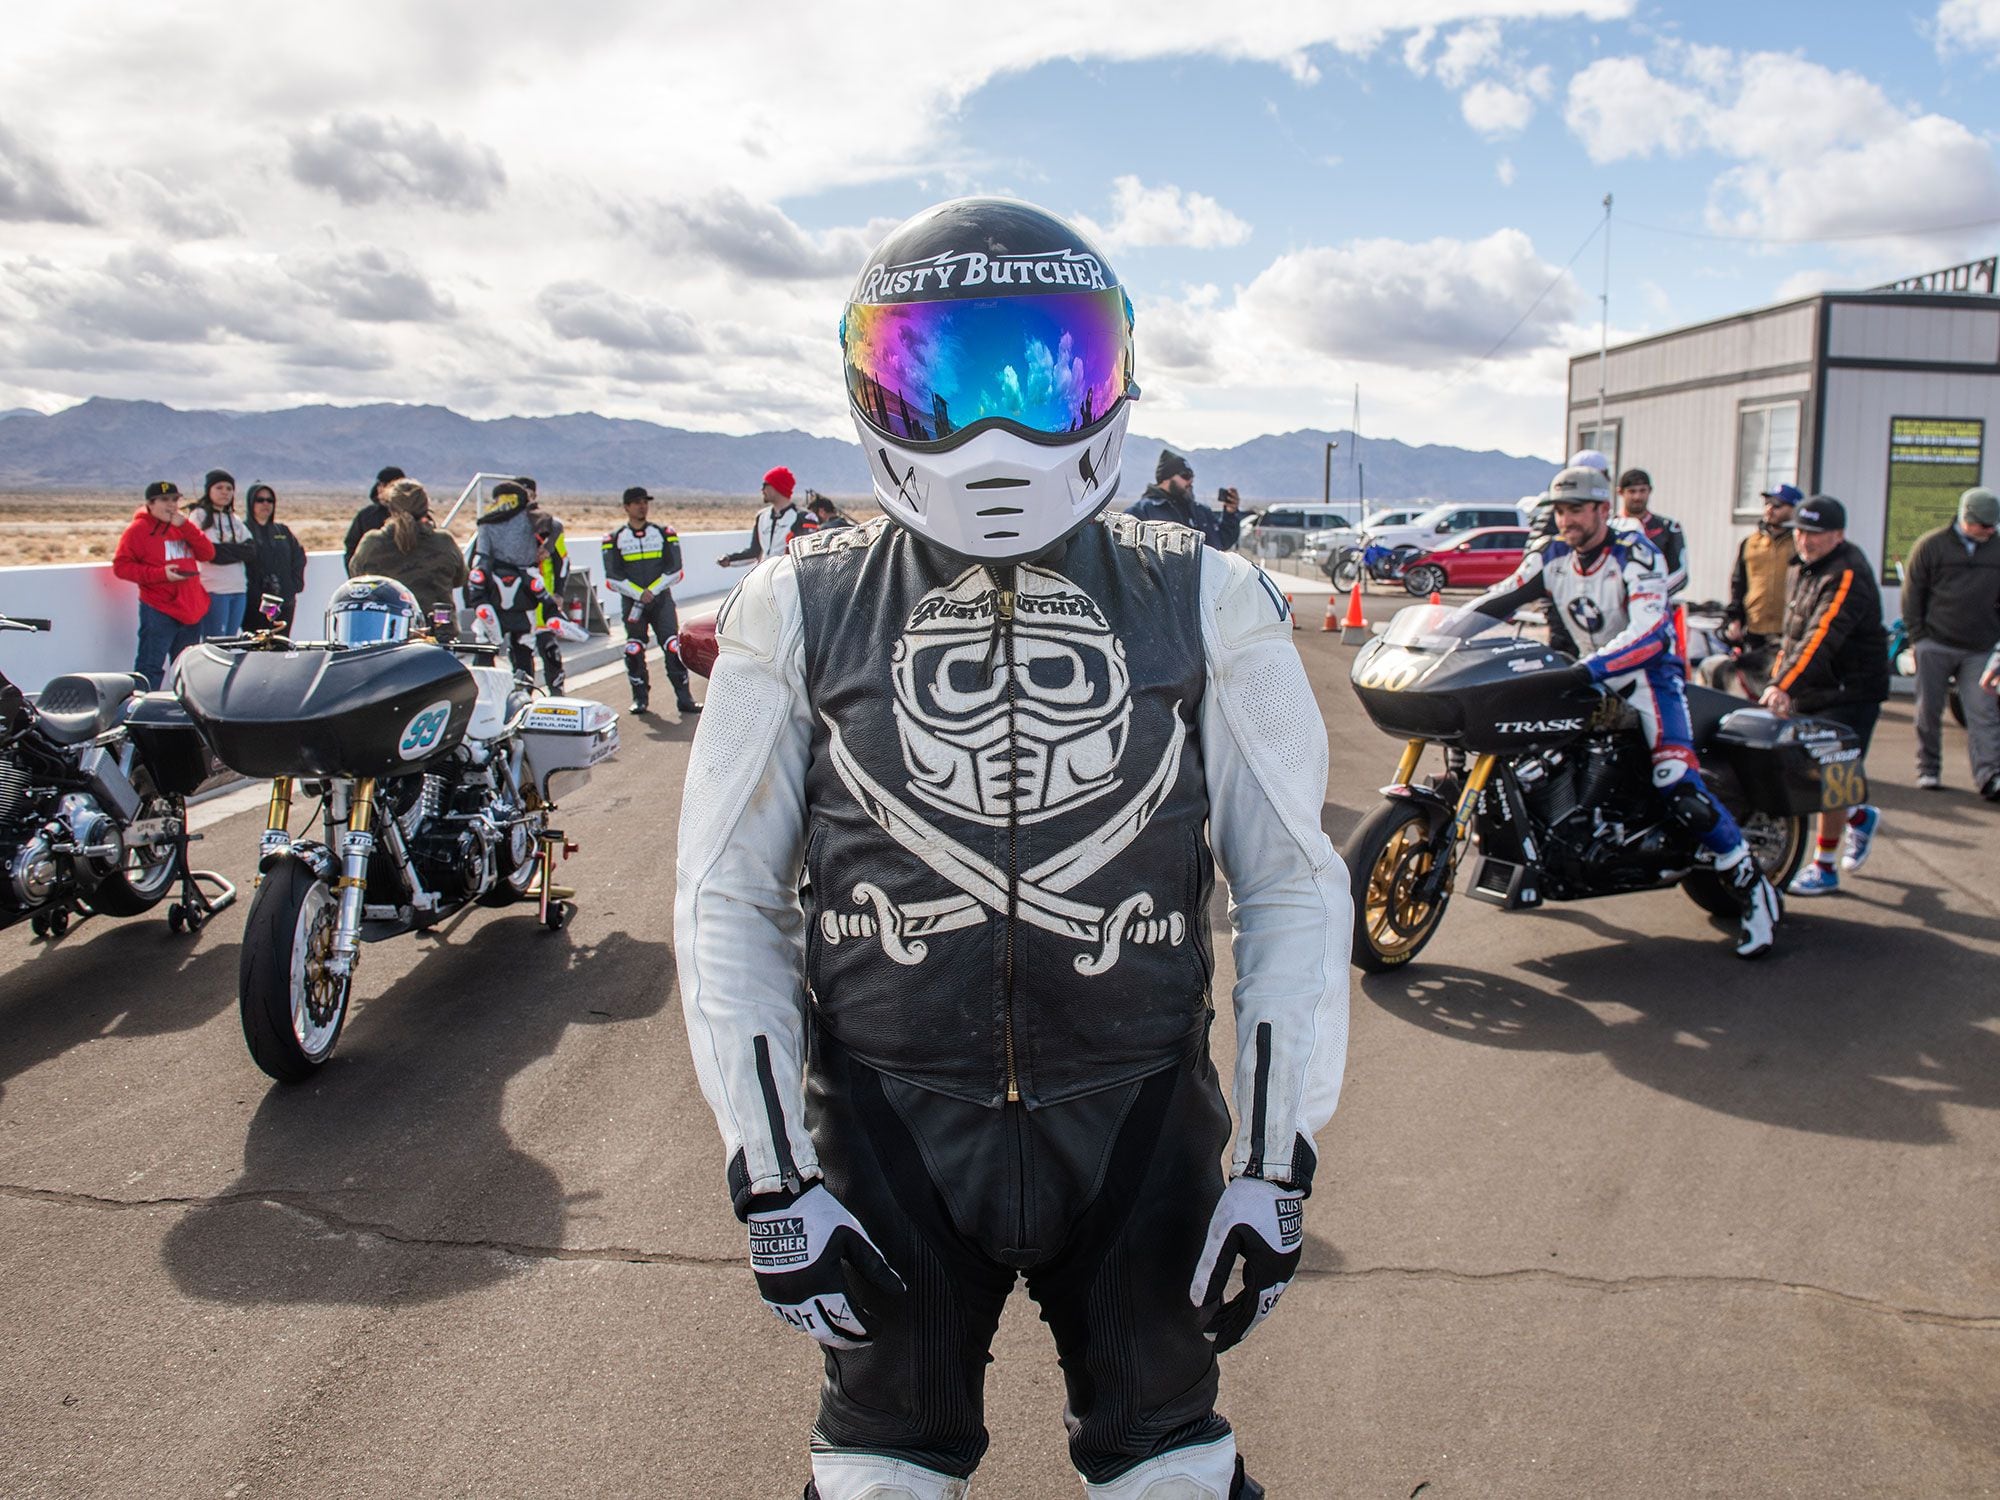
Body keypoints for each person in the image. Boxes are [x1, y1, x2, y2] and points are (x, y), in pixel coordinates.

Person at [677, 198, 1348, 1500]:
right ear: (870, 382)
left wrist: (1277, 1166)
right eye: (945, 378)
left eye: (1044, 377)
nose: (996, 433)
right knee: (879, 1470)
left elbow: (1292, 891)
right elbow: (725, 900)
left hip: (1137, 1118)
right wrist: (770, 1177)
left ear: (1116, 375)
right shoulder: (796, 603)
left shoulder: (1208, 593)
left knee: (1172, 1469)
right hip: (890, 1128)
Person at [1473, 465, 1782, 958]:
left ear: (1602, 509)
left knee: (1677, 781)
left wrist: (1591, 668)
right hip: (1587, 674)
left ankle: (1754, 891)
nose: (1566, 519)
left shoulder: (1635, 553)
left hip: (1647, 679)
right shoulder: (1551, 553)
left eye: (1575, 509)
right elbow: (1498, 599)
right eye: (1559, 510)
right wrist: (1437, 634)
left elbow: (1649, 629)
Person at [1759, 497, 1889, 894]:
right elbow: (1794, 634)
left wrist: (1784, 685)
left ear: (1838, 534)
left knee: (1835, 775)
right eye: (1800, 531)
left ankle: (1825, 866)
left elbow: (1823, 635)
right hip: (1814, 689)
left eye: (1814, 533)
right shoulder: (1803, 567)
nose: (1804, 540)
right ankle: (1858, 817)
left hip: (1851, 691)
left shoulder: (1847, 572)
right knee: (1813, 774)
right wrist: (1780, 678)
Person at [1899, 486, 2000, 799]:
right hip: (1936, 643)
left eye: (1994, 525)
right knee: (1928, 710)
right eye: (1985, 525)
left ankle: (1990, 776)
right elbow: (1912, 594)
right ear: (1966, 519)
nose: (1990, 530)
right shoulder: (1932, 546)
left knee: (1983, 712)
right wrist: (1919, 638)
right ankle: (1928, 769)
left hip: (1980, 647)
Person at [602, 485, 700, 716]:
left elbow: (675, 569)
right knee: (634, 648)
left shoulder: (664, 533)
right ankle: (640, 699)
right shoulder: (614, 538)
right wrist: (638, 594)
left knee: (673, 646)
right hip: (633, 604)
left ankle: (684, 699)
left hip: (661, 600)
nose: (642, 506)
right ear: (626, 507)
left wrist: (652, 591)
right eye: (637, 502)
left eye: (645, 502)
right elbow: (612, 576)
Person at [113, 481, 216, 690]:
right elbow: (122, 567)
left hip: (190, 609)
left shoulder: (182, 527)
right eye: (164, 500)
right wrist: (161, 575)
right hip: (159, 609)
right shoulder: (138, 531)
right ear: (150, 504)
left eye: (175, 500)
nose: (171, 505)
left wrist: (186, 527)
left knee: (188, 669)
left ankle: (185, 715)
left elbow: (207, 553)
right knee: (150, 667)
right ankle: (141, 712)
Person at [467, 480, 564, 686]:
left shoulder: (486, 521)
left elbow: (481, 557)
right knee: (523, 646)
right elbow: (556, 525)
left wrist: (477, 593)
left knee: (486, 645)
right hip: (524, 586)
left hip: (494, 588)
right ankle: (523, 693)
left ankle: (484, 693)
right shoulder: (531, 519)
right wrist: (548, 545)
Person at [1707, 484, 1800, 696]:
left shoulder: (1799, 544)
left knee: (1782, 684)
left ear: (1793, 509)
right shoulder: (1750, 543)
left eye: (1778, 505)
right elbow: (1738, 583)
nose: (1770, 509)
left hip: (1786, 629)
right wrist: (1735, 618)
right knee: (1751, 686)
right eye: (1767, 504)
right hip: (1755, 627)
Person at [349, 479, 469, 620]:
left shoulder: (372, 543)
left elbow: (356, 576)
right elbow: (461, 578)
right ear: (426, 508)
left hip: (387, 630)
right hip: (439, 630)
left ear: (391, 508)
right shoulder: (444, 541)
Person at [1128, 449, 1241, 550]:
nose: (1191, 481)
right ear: (1166, 479)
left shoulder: (1201, 511)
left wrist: (1230, 514)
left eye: (1192, 476)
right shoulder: (1142, 512)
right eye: (1185, 475)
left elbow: (1223, 542)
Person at [188, 469, 254, 639]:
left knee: (231, 641)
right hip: (214, 590)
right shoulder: (199, 515)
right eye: (219, 487)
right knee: (216, 642)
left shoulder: (234, 519)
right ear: (208, 490)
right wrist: (235, 551)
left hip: (238, 589)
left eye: (229, 488)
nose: (225, 492)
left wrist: (226, 550)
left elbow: (251, 550)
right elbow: (211, 553)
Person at [242, 482, 308, 634]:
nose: (265, 504)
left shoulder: (282, 531)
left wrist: (294, 585)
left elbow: (299, 556)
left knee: (281, 645)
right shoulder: (244, 531)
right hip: (255, 605)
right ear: (251, 503)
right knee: (259, 647)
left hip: (284, 602)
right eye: (260, 500)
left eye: (269, 500)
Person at [719, 466, 816, 565]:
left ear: (777, 486)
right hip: (764, 576)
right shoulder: (761, 516)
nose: (762, 489)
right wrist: (730, 559)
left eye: (765, 485)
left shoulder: (804, 517)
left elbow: (808, 556)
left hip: (789, 576)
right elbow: (754, 553)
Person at [1615, 469, 1687, 597]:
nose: (1637, 497)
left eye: (1642, 491)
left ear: (1650, 491)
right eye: (1632, 491)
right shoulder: (1609, 527)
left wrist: (1652, 594)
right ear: (1620, 492)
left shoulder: (1669, 527)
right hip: (1617, 604)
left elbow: (1681, 574)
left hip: (1656, 605)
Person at [343, 466, 406, 573]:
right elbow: (352, 547)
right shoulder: (366, 516)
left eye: (388, 485)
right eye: (380, 484)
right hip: (373, 579)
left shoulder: (416, 515)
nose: (382, 489)